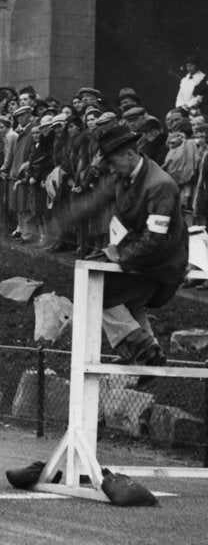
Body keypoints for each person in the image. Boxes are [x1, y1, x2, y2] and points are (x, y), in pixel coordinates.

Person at [79, 124, 188, 372]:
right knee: (119, 295)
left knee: (101, 293)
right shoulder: (124, 176)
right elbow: (108, 208)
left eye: (112, 162)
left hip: (161, 263)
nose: (110, 168)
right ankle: (145, 351)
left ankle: (144, 350)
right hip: (141, 256)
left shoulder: (160, 185)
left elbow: (155, 240)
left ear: (130, 155)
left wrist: (121, 259)